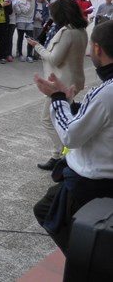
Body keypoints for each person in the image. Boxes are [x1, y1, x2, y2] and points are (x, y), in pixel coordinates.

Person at [32, 19, 113, 254]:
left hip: (94, 182)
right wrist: (69, 103)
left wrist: (57, 99)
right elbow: (98, 120)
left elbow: (71, 136)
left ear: (97, 48)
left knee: (53, 215)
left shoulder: (107, 92)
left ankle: (89, 263)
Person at [27, 0, 89, 171]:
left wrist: (37, 46)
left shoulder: (67, 32)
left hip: (62, 82)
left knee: (47, 119)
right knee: (62, 117)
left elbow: (55, 59)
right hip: (74, 79)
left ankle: (61, 155)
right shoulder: (81, 30)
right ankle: (61, 154)